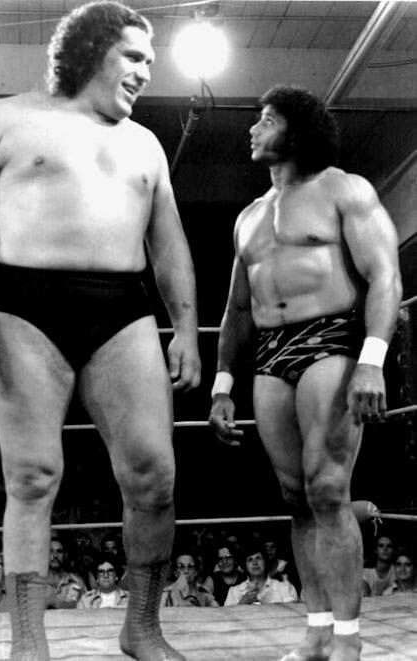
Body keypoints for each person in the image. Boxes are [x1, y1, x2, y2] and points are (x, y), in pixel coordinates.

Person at [0, 2, 200, 660]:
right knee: (31, 476)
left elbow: (169, 247)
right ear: (92, 50)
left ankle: (142, 627)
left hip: (122, 305)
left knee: (154, 475)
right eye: (134, 56)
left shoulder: (145, 144)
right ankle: (29, 642)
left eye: (150, 61)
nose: (145, 72)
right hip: (23, 300)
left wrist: (187, 329)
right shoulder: (4, 118)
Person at [209, 85, 402, 661]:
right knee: (295, 497)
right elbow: (236, 310)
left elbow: (385, 275)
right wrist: (222, 385)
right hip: (270, 353)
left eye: (266, 120)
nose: (253, 129)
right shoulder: (248, 217)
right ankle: (317, 631)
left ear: (296, 131)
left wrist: (372, 361)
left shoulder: (344, 189)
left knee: (328, 488)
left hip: (331, 339)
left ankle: (349, 638)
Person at [224, 542, 298, 606]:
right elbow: (225, 617)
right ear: (245, 565)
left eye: (258, 558)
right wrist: (243, 603)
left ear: (265, 561)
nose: (255, 563)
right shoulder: (234, 592)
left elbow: (294, 615)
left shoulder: (285, 588)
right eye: (250, 560)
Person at [202, 542, 246, 606]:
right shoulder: (212, 580)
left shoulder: (244, 578)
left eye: (228, 557)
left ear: (235, 559)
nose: (224, 561)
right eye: (220, 559)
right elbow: (202, 600)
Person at [47, 537, 86, 608]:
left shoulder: (76, 581)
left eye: (59, 551)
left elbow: (86, 608)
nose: (55, 555)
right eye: (51, 551)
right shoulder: (36, 582)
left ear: (65, 555)